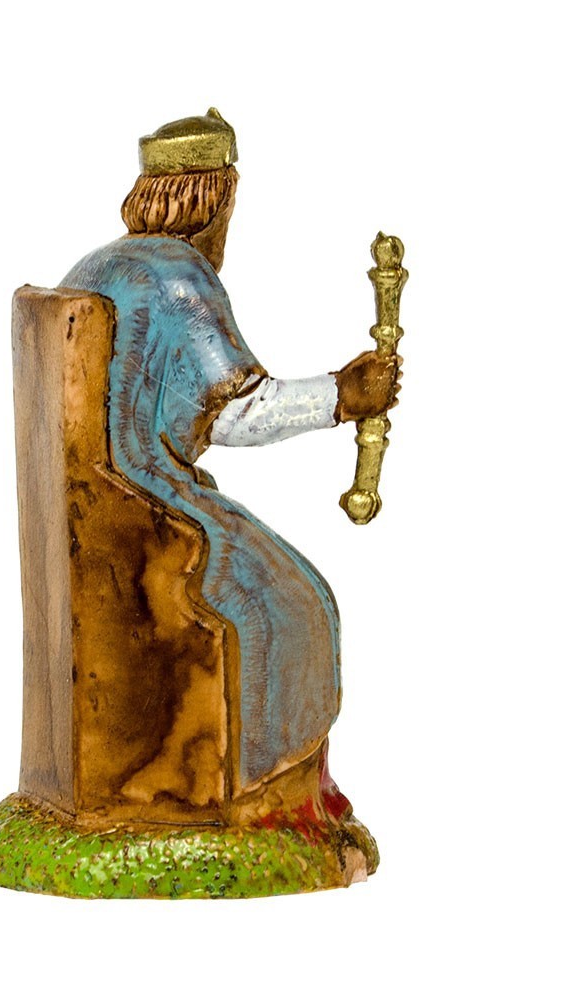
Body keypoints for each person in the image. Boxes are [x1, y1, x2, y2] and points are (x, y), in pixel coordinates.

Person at [61, 109, 398, 802]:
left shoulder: (96, 265)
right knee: (293, 604)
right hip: (151, 502)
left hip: (93, 506)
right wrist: (343, 396)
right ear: (217, 198)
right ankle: (265, 793)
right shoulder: (178, 278)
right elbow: (238, 412)